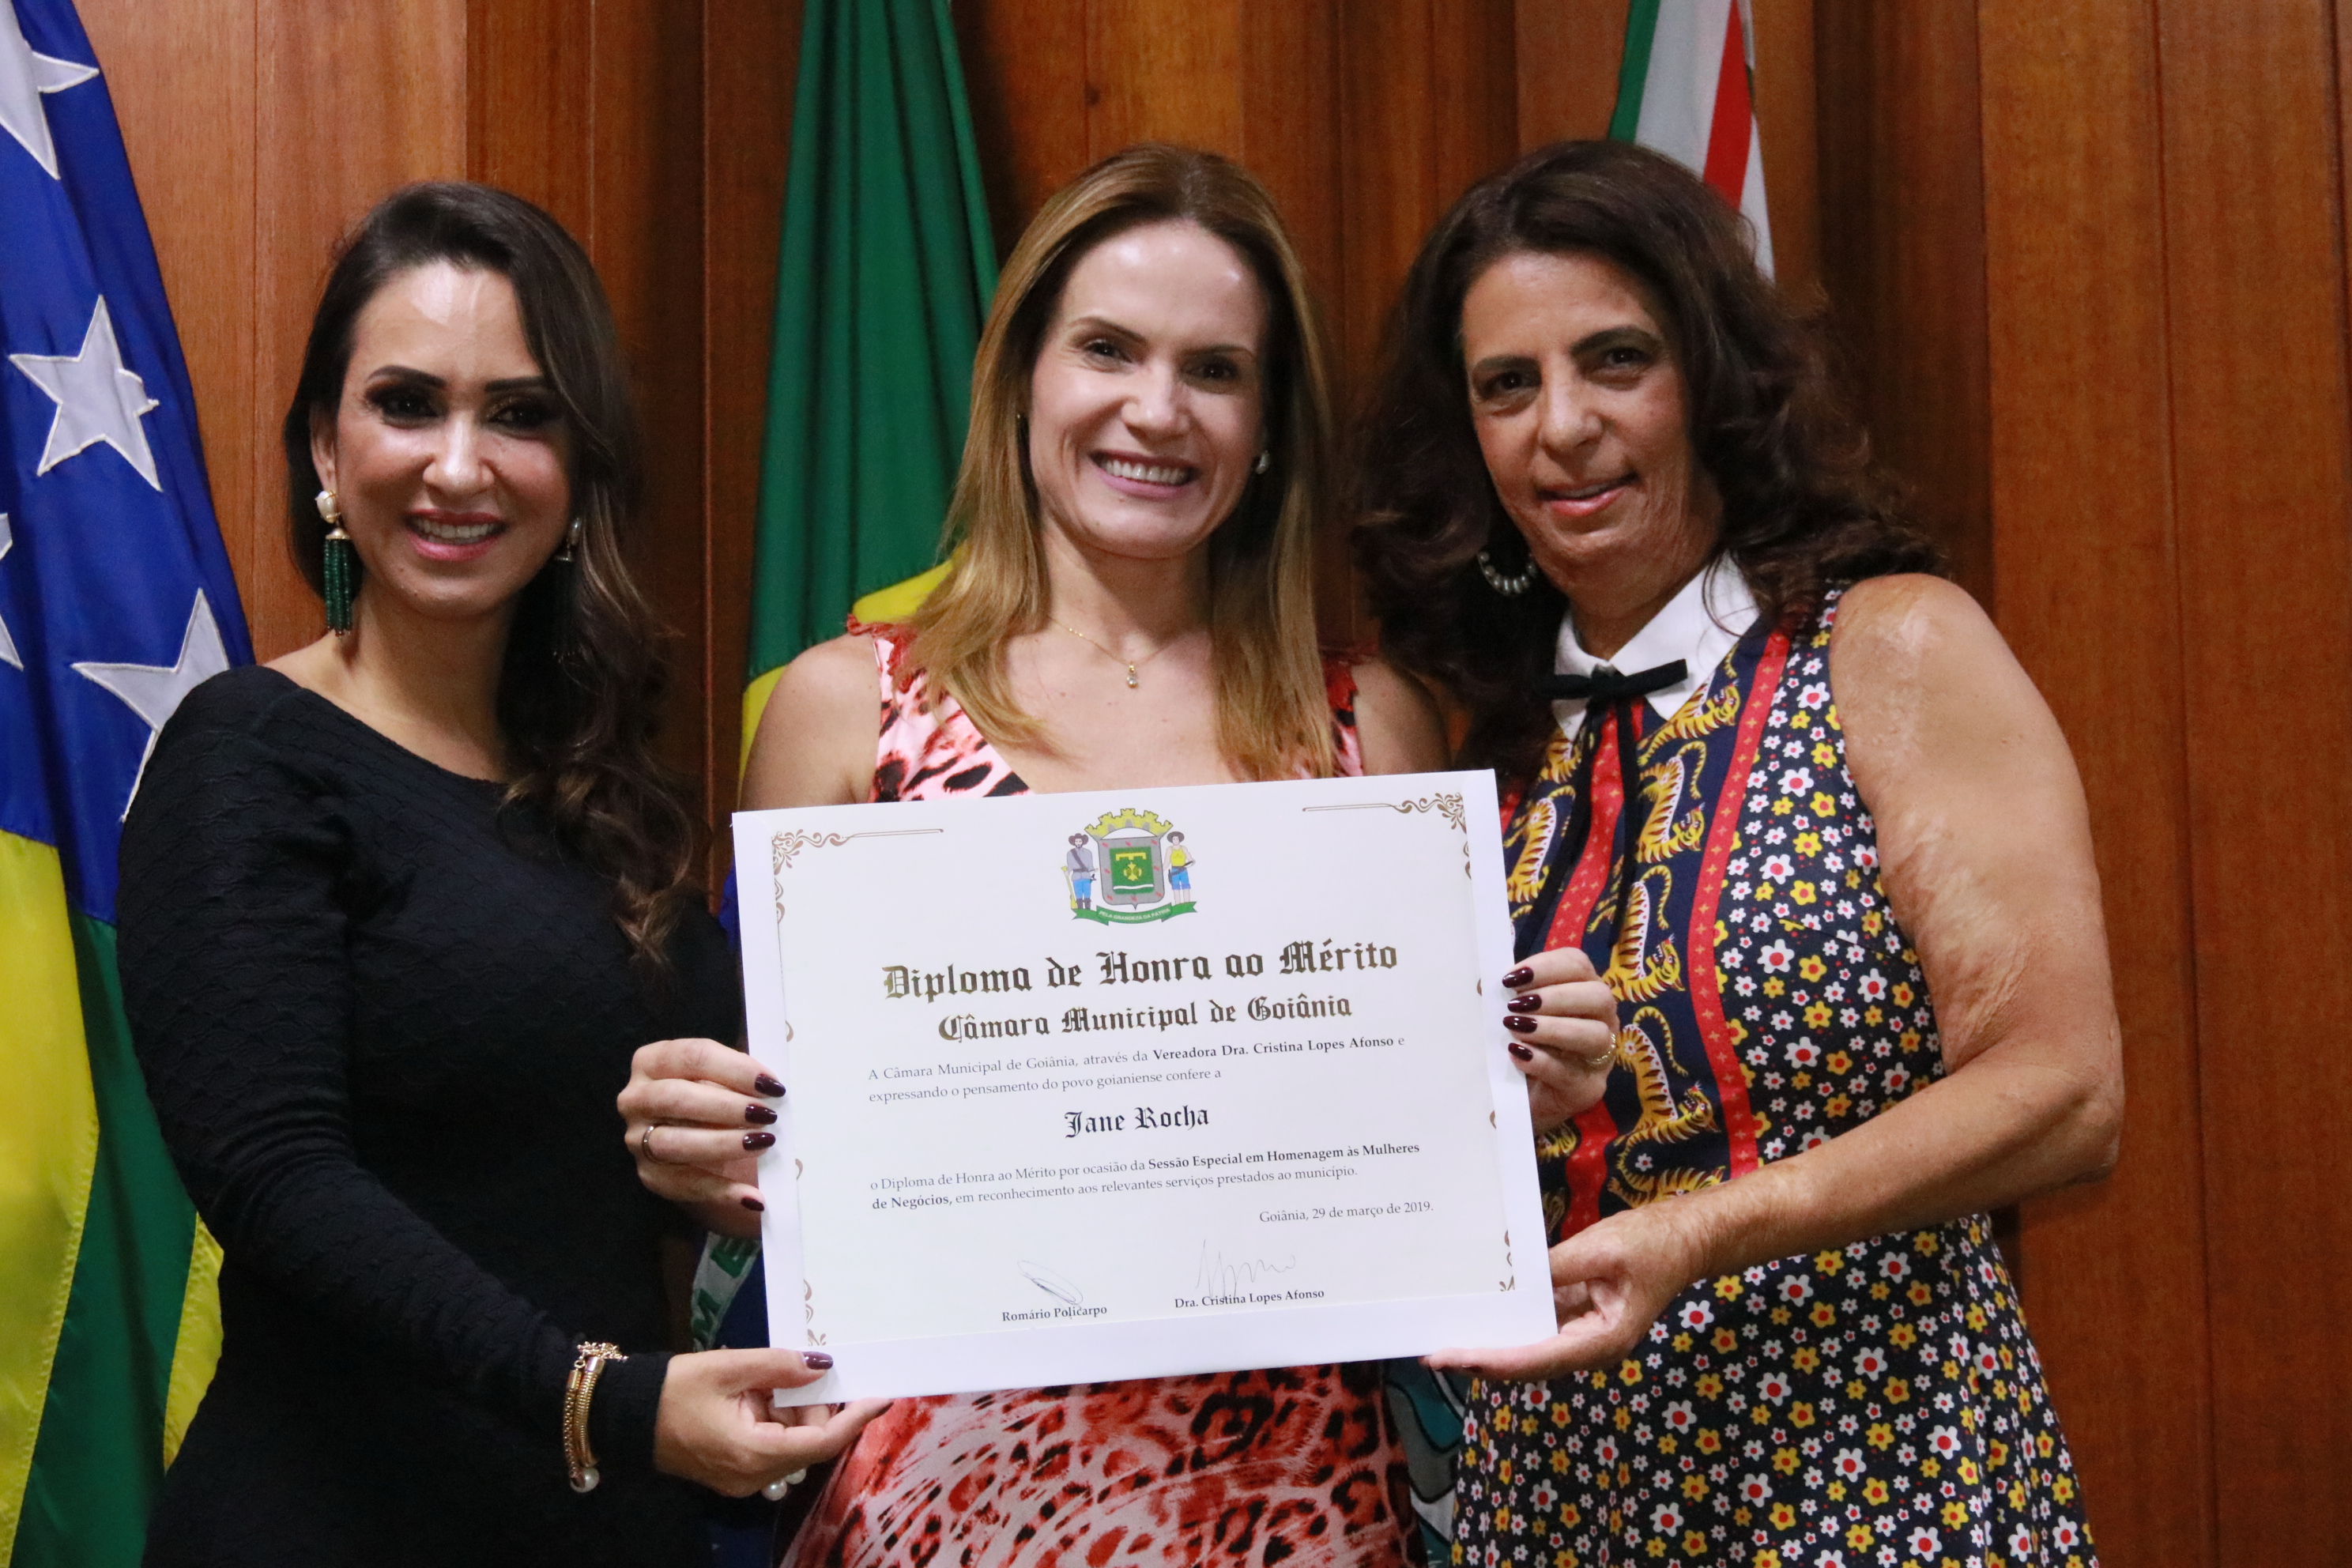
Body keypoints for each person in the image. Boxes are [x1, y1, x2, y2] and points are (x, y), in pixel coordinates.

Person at [616, 143, 1617, 1567]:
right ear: (1022, 377)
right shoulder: (845, 711)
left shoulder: (1373, 725)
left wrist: (1526, 1084)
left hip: (1302, 1502)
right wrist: (708, 1140)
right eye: (1107, 349)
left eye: (1215, 369)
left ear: (1267, 424)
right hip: (940, 1508)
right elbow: (780, 1174)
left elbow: (1430, 1168)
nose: (1157, 410)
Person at [1351, 138, 2119, 1566]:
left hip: (1878, 1487)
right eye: (1507, 385)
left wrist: (1704, 1234)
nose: (1562, 426)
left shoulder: (1887, 646)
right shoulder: (1476, 753)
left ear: (1710, 378)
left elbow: (2065, 1092)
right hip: (1552, 1504)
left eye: (1616, 361)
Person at [117, 183, 881, 1568]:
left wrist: (721, 1165)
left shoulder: (606, 787)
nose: (459, 466)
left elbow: (618, 1150)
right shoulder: (247, 752)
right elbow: (278, 1181)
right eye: (407, 404)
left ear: (580, 469)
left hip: (613, 1528)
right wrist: (604, 1401)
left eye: (520, 414)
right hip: (338, 1527)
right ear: (325, 449)